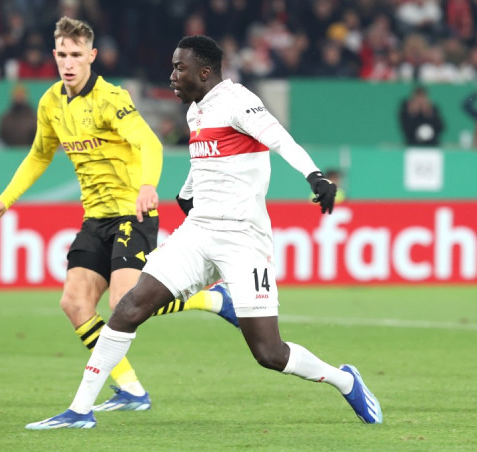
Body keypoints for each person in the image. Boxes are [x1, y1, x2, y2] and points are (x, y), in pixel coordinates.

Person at [26, 35, 383, 430]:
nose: (172, 76)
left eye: (180, 68)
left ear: (205, 72)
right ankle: (80, 411)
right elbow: (206, 161)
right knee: (128, 308)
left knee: (269, 352)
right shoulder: (196, 112)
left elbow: (280, 138)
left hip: (243, 239)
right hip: (197, 233)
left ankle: (345, 381)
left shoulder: (238, 101)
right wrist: (187, 192)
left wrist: (315, 176)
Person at [0, 18, 238, 414]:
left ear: (92, 56)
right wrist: (4, 201)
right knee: (74, 303)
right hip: (95, 218)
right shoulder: (50, 103)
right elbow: (39, 156)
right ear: (55, 55)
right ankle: (130, 390)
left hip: (133, 211)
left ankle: (213, 300)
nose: (68, 63)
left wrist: (148, 185)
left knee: (123, 301)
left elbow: (149, 143)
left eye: (76, 55)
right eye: (62, 54)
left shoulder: (111, 98)